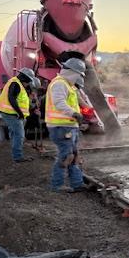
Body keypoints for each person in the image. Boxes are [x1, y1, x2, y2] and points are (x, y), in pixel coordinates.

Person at [45, 58, 87, 193]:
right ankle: (57, 185)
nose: (79, 77)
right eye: (79, 74)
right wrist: (75, 114)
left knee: (74, 155)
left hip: (68, 126)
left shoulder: (68, 85)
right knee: (66, 156)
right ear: (72, 72)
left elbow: (76, 102)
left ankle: (77, 183)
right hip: (60, 127)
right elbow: (59, 103)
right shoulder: (59, 84)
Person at [0, 67, 41, 162]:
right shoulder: (15, 83)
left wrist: (32, 107)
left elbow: (21, 101)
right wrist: (20, 113)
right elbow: (11, 98)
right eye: (28, 81)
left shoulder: (18, 84)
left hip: (11, 112)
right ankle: (18, 157)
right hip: (10, 113)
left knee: (15, 133)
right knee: (19, 134)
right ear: (25, 78)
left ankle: (15, 151)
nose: (28, 83)